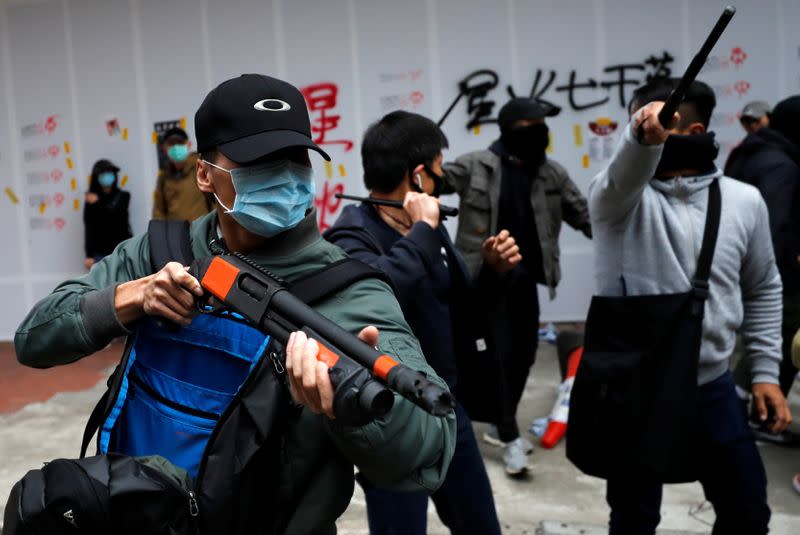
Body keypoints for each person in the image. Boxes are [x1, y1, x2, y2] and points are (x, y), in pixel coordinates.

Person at [15, 74, 456, 534]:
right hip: (136, 517)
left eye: (295, 157)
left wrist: (354, 412)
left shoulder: (350, 291)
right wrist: (133, 296)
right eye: (260, 161)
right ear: (205, 173)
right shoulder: (160, 251)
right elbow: (34, 339)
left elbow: (429, 454)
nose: (284, 174)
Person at [591, 77, 792, 534]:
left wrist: (765, 372)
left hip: (713, 386)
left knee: (748, 512)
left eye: (665, 123)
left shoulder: (745, 201)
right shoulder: (616, 201)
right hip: (637, 391)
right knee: (634, 518)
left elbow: (762, 286)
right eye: (641, 124)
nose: (651, 132)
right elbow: (623, 173)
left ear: (695, 129)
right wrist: (639, 139)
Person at [326, 111, 511, 534]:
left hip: (447, 406)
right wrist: (424, 230)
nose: (443, 181)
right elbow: (378, 292)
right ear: (419, 176)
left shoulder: (426, 228)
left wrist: (492, 269)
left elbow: (455, 305)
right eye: (440, 170)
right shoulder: (351, 236)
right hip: (393, 418)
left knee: (481, 525)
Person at [442, 97, 592, 476]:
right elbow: (434, 181)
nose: (540, 133)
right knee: (495, 359)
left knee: (523, 354)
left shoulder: (551, 174)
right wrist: (418, 160)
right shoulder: (476, 165)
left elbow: (587, 217)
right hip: (484, 280)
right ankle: (509, 436)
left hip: (525, 283)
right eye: (532, 126)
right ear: (509, 129)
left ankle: (498, 422)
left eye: (543, 126)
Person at [724, 95, 800, 444]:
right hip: (772, 275)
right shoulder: (782, 165)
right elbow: (774, 228)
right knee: (775, 341)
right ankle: (759, 416)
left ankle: (743, 415)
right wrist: (781, 272)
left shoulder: (750, 151)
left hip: (738, 265)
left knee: (753, 345)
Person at [152, 127, 213, 221]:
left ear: (188, 145)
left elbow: (214, 202)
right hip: (175, 233)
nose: (176, 147)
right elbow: (159, 212)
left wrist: (213, 230)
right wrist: (158, 234)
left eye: (180, 142)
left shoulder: (200, 168)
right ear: (164, 148)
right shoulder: (164, 177)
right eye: (171, 144)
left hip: (200, 232)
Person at [83, 159, 132, 270]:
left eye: (110, 173)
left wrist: (97, 203)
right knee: (103, 286)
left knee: (124, 284)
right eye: (103, 173)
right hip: (99, 253)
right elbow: (89, 227)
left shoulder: (124, 196)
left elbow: (117, 220)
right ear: (96, 177)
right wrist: (89, 255)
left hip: (122, 250)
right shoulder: (90, 198)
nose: (107, 176)